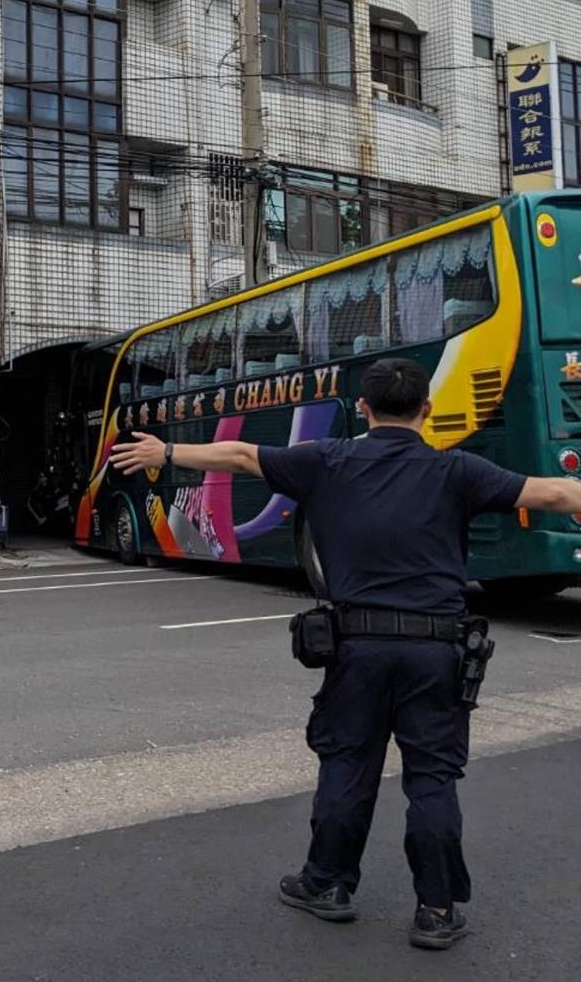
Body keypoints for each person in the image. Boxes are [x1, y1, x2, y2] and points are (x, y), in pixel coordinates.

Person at [110, 358, 581, 950]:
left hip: (356, 647)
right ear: (427, 411)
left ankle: (327, 884)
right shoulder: (457, 470)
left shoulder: (327, 460)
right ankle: (436, 910)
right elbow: (559, 492)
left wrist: (167, 454)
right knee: (432, 777)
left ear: (364, 409)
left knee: (347, 764)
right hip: (437, 650)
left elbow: (240, 457)